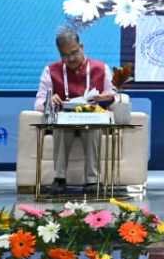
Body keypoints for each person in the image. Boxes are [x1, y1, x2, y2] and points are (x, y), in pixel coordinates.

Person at [33, 29, 115, 193]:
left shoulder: (101, 68)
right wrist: (50, 100)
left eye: (74, 52)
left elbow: (113, 95)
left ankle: (92, 181)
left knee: (92, 128)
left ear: (82, 47)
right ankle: (59, 178)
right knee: (61, 126)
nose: (70, 59)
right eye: (65, 55)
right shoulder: (50, 70)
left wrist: (106, 97)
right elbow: (38, 103)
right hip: (65, 119)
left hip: (92, 118)